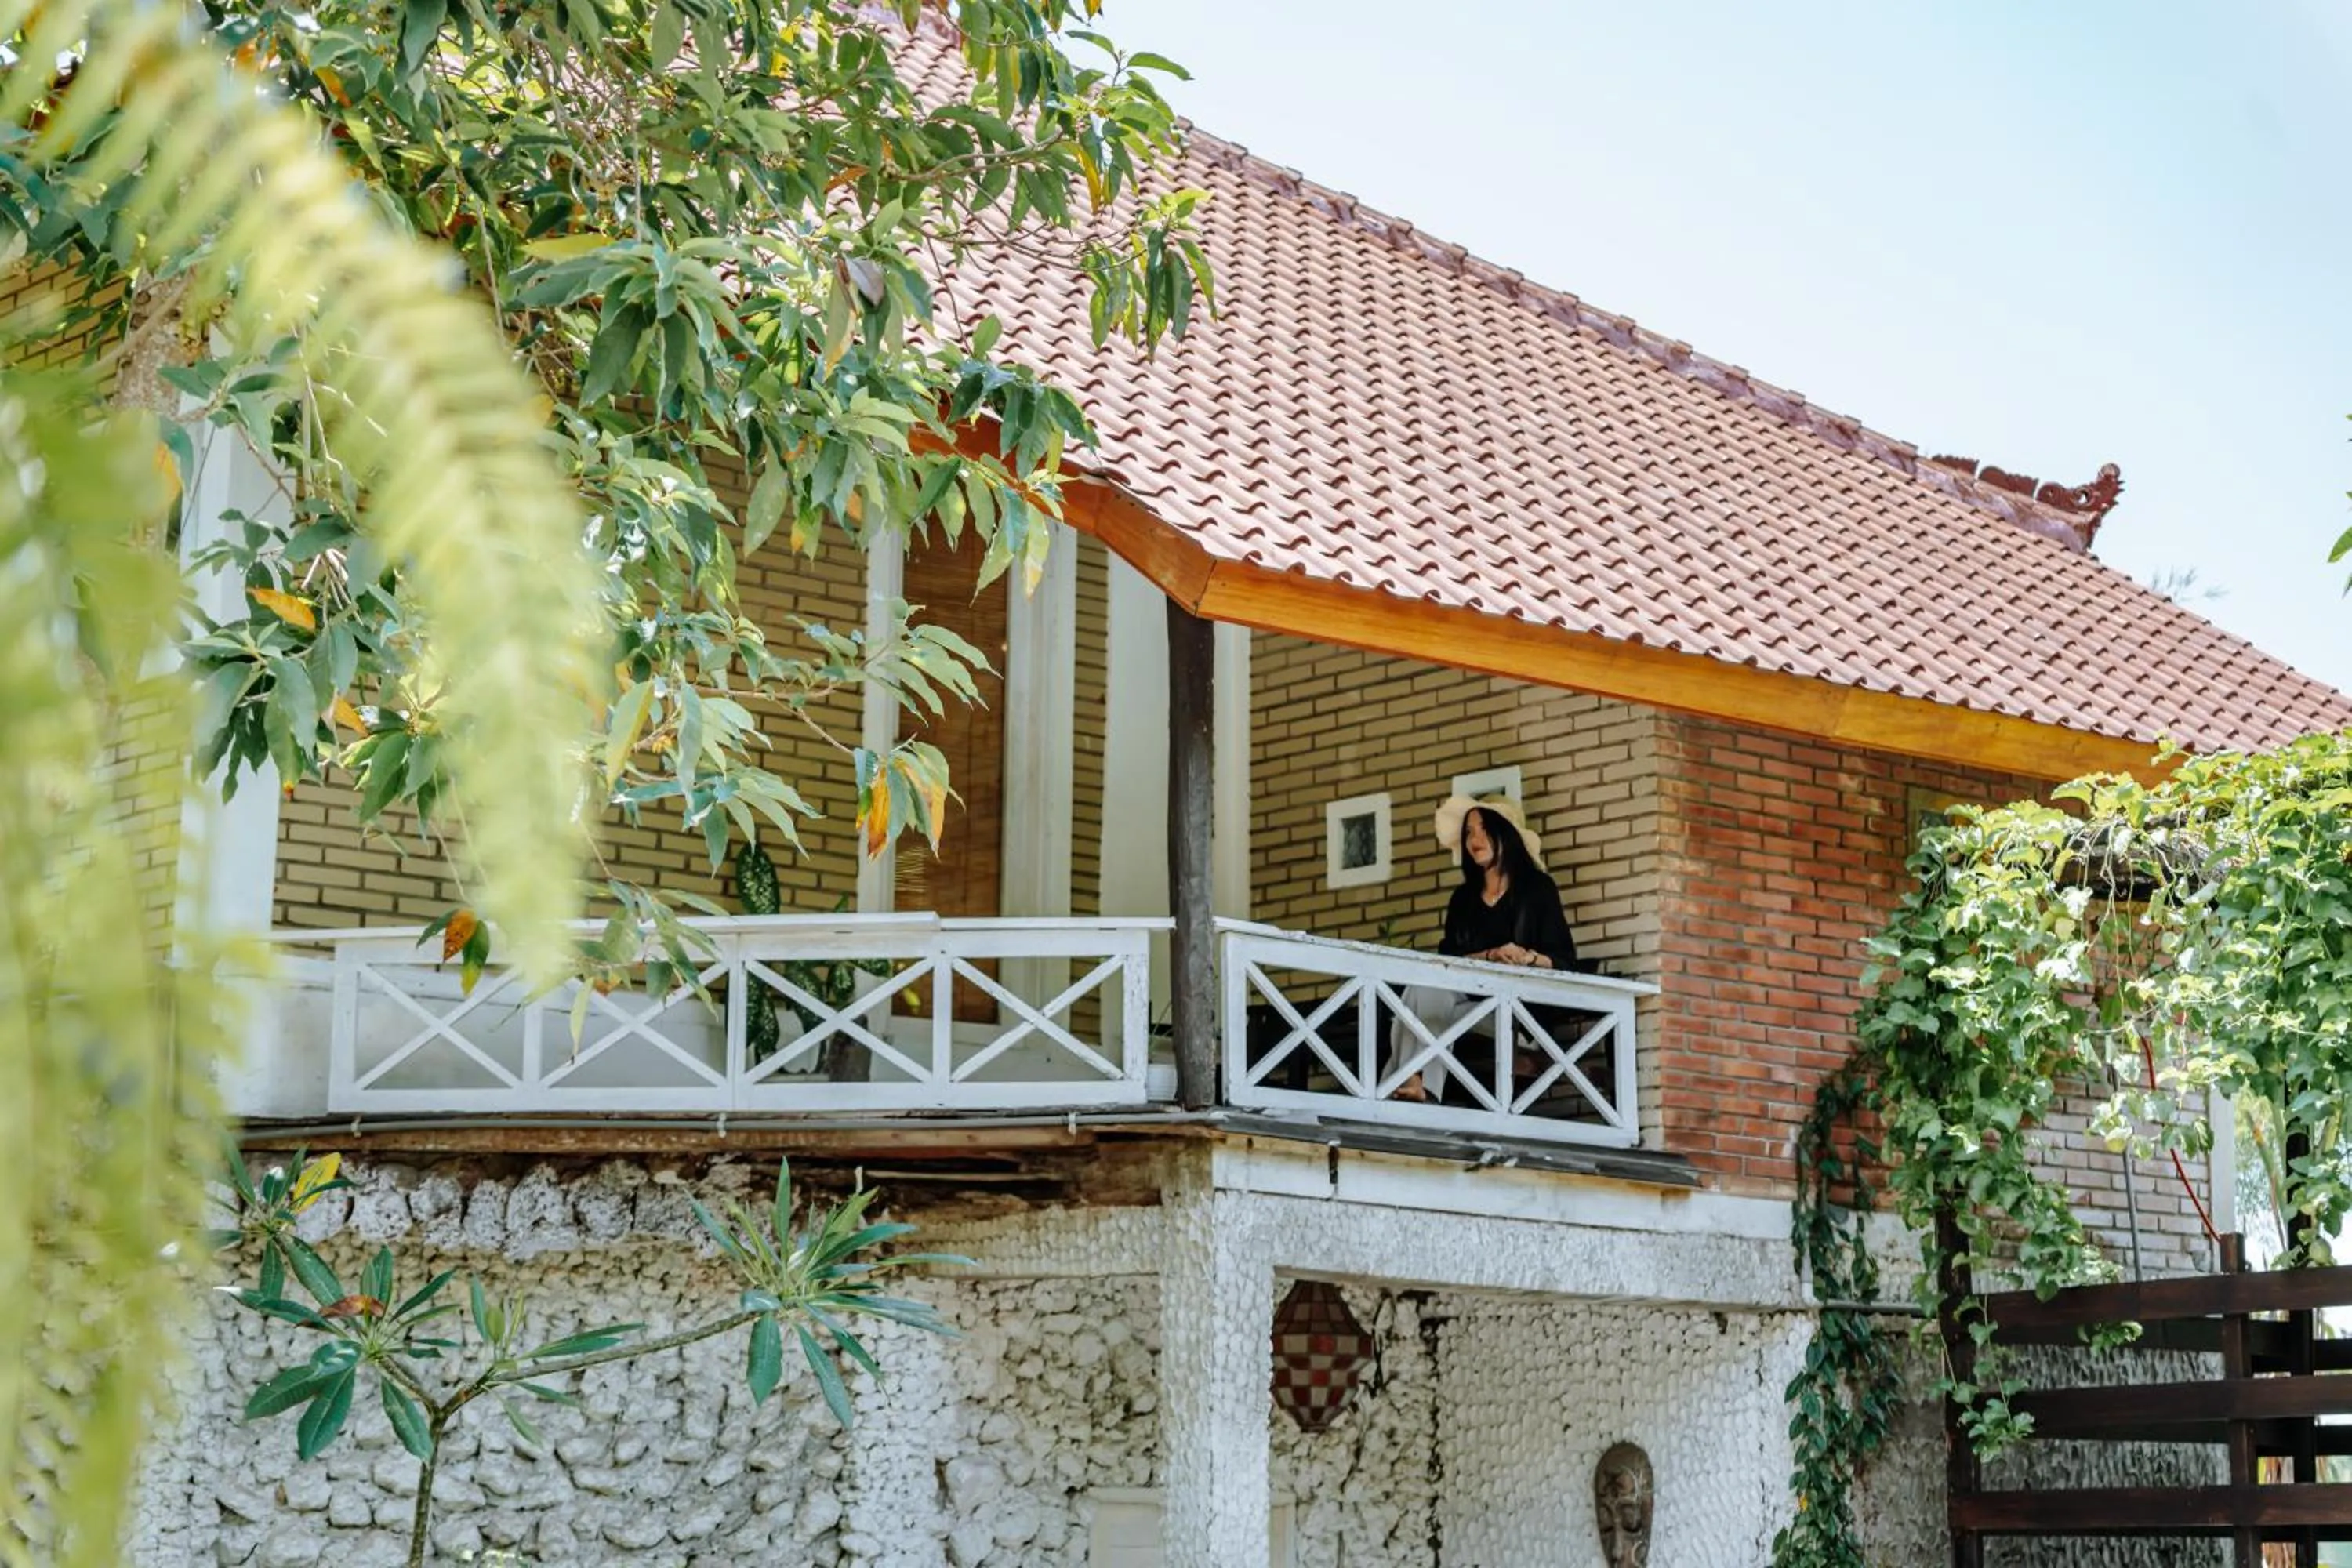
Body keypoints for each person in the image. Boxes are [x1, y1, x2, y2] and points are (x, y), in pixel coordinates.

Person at [1388, 794, 1578, 1103]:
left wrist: (1527, 957)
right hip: (1468, 1008)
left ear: (1506, 834)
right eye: (1468, 833)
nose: (1474, 839)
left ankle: (1400, 1081)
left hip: (1518, 1015)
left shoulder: (1537, 889)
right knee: (1423, 990)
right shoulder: (1463, 899)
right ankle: (1424, 1088)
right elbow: (1447, 960)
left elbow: (1565, 961)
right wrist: (1490, 956)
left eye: (1484, 829)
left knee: (1419, 999)